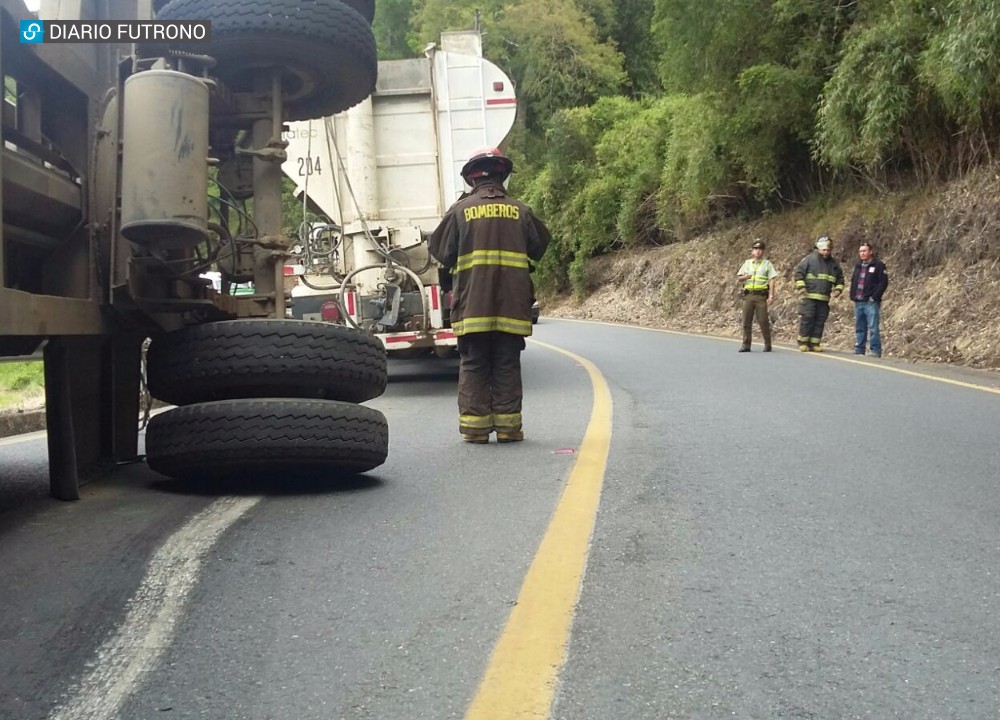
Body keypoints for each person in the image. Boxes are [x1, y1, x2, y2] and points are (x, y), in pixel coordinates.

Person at [428, 147, 551, 444]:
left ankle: (475, 430)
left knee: (473, 364)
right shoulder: (520, 211)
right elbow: (540, 246)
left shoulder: (460, 211)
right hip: (512, 306)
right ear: (502, 176)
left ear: (471, 179)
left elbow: (440, 251)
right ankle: (509, 429)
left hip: (472, 306)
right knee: (507, 363)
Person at [793, 235, 844, 352]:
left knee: (820, 320)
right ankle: (803, 342)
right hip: (809, 296)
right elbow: (799, 274)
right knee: (808, 319)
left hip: (824, 298)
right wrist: (801, 288)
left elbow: (840, 279)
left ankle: (814, 343)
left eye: (828, 250)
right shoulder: (809, 260)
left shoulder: (834, 264)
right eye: (824, 250)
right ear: (818, 248)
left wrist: (838, 289)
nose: (826, 252)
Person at [736, 239, 777, 352]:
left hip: (761, 296)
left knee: (763, 320)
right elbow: (739, 278)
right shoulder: (747, 263)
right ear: (752, 251)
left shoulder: (767, 264)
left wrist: (771, 296)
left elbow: (772, 280)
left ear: (763, 251)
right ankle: (746, 344)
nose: (758, 251)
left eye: (760, 249)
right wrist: (746, 277)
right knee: (746, 320)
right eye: (756, 249)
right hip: (748, 295)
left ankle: (767, 344)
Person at [850, 242, 889, 357]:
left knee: (873, 327)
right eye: (860, 251)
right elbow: (854, 281)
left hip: (871, 302)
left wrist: (874, 297)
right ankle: (859, 348)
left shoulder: (878, 265)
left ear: (870, 252)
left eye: (864, 251)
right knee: (860, 326)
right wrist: (852, 296)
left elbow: (883, 283)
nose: (862, 253)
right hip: (858, 301)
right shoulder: (858, 266)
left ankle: (875, 350)